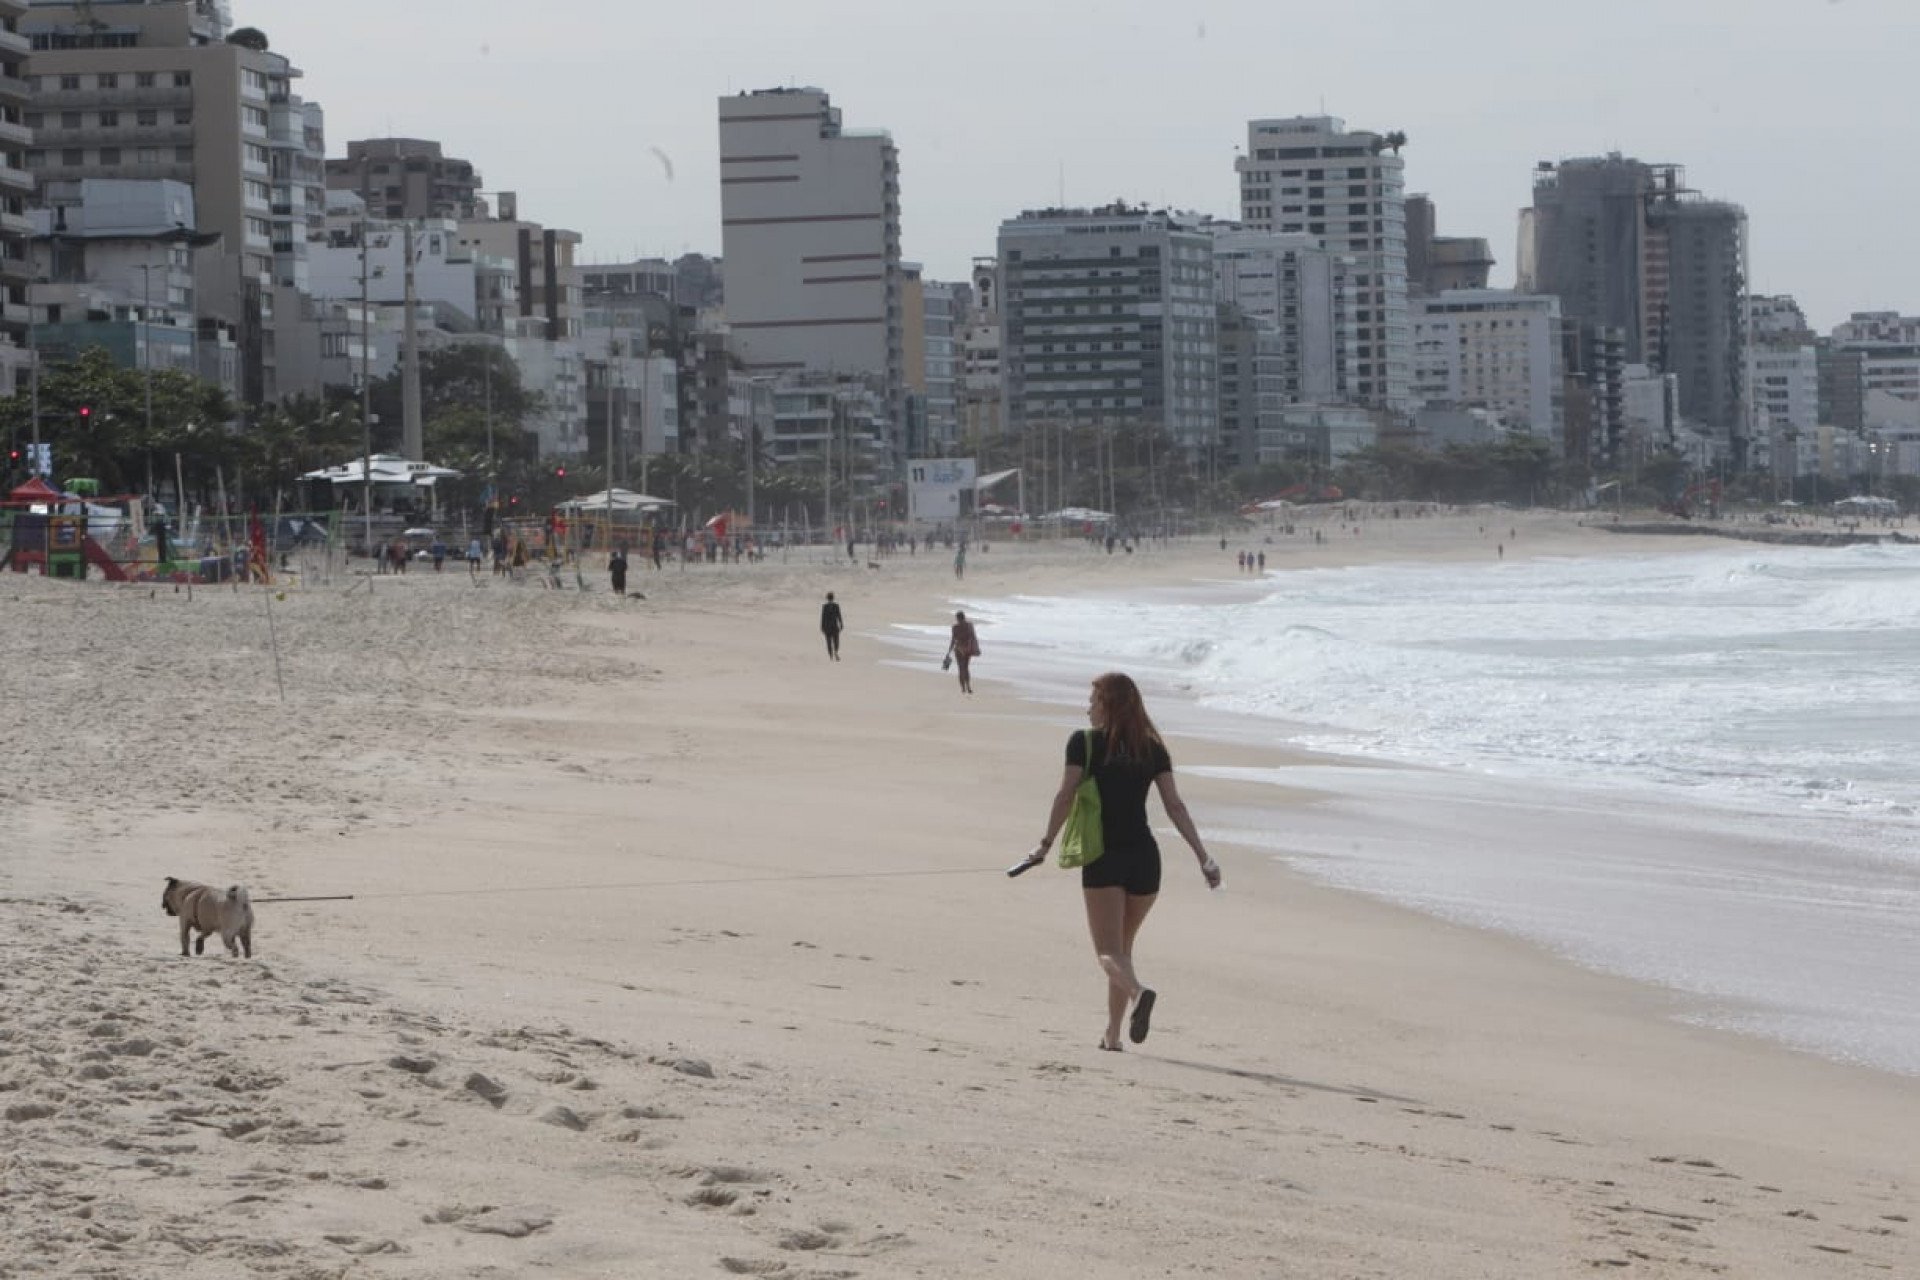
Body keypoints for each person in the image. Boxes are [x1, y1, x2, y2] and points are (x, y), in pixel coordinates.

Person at [1024, 673, 1220, 1051]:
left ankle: (1138, 992)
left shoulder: (1084, 743)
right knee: (1123, 950)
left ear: (1108, 704)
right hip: (1146, 859)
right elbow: (1174, 806)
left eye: (1093, 700)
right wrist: (1204, 858)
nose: (1088, 707)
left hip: (1105, 858)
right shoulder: (1152, 748)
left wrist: (1045, 844)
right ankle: (1113, 1035)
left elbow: (1066, 795)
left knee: (1108, 952)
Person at [945, 610, 979, 694]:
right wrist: (975, 648)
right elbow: (973, 637)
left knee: (960, 669)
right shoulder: (969, 625)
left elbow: (953, 640)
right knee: (966, 668)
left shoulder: (955, 627)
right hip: (967, 649)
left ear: (957, 618)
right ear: (964, 617)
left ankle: (963, 688)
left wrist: (949, 651)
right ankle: (968, 687)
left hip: (958, 649)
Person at [820, 591, 844, 660]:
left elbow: (823, 617)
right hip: (832, 627)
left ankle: (833, 654)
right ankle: (833, 654)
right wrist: (841, 624)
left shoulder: (827, 606)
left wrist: (822, 626)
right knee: (833, 642)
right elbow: (839, 616)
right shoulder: (833, 606)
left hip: (829, 627)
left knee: (831, 642)